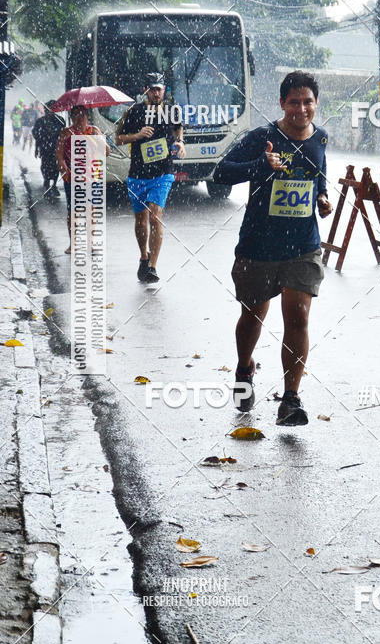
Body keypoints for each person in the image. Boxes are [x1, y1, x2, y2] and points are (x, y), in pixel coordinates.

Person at [213, 70, 333, 426]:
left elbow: (318, 176)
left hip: (303, 246)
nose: (301, 108)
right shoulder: (262, 137)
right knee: (253, 315)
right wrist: (259, 166)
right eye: (294, 102)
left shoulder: (320, 139)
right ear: (282, 103)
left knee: (299, 316)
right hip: (259, 245)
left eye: (307, 101)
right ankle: (244, 368)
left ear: (315, 104)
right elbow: (221, 172)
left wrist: (323, 198)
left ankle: (291, 399)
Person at [114, 73, 185, 284]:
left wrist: (180, 142)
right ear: (146, 90)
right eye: (152, 89)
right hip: (138, 175)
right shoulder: (134, 111)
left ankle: (153, 266)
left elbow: (178, 128)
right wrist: (138, 135)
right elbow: (118, 139)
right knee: (140, 220)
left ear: (165, 90)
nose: (156, 93)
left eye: (159, 89)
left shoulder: (172, 111)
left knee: (155, 216)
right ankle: (143, 257)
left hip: (163, 172)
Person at [56, 104, 108, 255]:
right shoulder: (66, 133)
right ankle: (73, 244)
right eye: (76, 115)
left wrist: (97, 139)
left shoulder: (94, 131)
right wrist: (63, 167)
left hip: (93, 178)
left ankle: (92, 244)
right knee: (73, 211)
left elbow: (106, 152)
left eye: (83, 115)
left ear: (87, 116)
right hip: (73, 178)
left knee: (92, 210)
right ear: (72, 117)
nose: (80, 118)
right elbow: (58, 155)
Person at [32, 100, 64, 197]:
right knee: (45, 165)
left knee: (56, 167)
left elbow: (63, 134)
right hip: (45, 148)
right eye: (47, 109)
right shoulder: (40, 121)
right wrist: (37, 148)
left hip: (56, 148)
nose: (48, 111)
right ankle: (46, 182)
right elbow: (36, 135)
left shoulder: (60, 121)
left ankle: (53, 184)